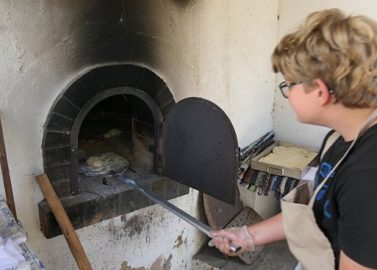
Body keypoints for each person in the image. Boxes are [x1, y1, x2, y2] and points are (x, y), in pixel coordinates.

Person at [209, 8, 377, 270]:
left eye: (289, 84)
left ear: (320, 91)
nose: (287, 93)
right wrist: (248, 236)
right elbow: (313, 210)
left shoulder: (367, 175)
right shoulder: (340, 139)